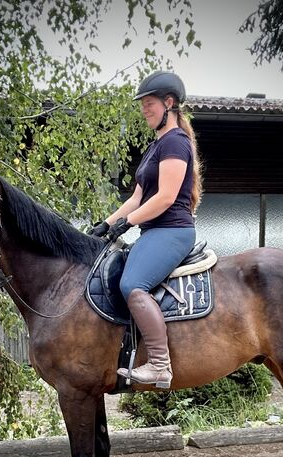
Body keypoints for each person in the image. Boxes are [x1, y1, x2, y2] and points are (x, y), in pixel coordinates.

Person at [90, 70, 203, 389]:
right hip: (152, 232)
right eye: (142, 104)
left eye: (149, 103)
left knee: (133, 285)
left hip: (173, 230)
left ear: (170, 103)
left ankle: (159, 365)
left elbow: (166, 197)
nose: (144, 109)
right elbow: (138, 198)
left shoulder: (176, 143)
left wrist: (129, 222)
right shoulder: (155, 147)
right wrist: (107, 224)